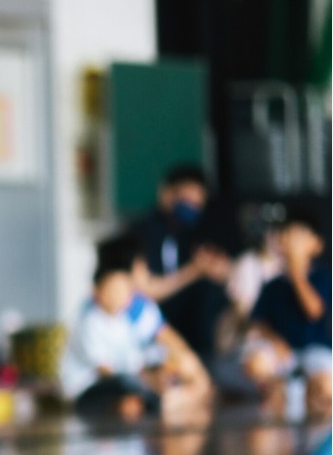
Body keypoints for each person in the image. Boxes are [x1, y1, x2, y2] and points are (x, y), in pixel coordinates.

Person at [94, 233, 213, 416]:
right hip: (126, 380)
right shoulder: (124, 307)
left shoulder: (131, 305)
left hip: (134, 375)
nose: (146, 269)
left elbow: (170, 341)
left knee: (185, 369)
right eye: (141, 264)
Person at [131, 164, 232, 367]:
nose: (191, 209)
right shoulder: (142, 233)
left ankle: (209, 365)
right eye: (187, 201)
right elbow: (146, 290)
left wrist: (216, 268)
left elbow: (222, 269)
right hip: (152, 322)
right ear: (167, 193)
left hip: (187, 323)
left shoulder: (188, 234)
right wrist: (195, 270)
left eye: (197, 204)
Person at [241, 207, 331, 417]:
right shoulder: (273, 284)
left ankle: (304, 392)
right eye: (287, 235)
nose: (292, 242)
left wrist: (296, 271)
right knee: (256, 363)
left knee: (326, 388)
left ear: (316, 245)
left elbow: (314, 310)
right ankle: (282, 391)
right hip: (283, 353)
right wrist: (274, 340)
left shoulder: (322, 277)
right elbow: (258, 321)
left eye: (299, 236)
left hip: (315, 350)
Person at [59, 261, 159, 420]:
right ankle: (129, 401)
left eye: (124, 291)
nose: (118, 295)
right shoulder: (89, 323)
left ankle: (133, 401)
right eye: (113, 289)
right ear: (98, 291)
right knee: (126, 384)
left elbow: (135, 361)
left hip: (117, 382)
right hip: (85, 390)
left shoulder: (124, 324)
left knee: (148, 391)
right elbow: (103, 368)